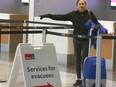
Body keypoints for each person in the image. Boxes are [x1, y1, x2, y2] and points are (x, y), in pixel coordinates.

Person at [40, 0, 99, 86]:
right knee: (77, 59)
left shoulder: (90, 14)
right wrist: (47, 15)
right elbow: (60, 17)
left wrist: (95, 28)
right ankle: (78, 79)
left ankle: (84, 79)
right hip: (76, 39)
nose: (81, 5)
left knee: (84, 60)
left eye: (83, 4)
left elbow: (97, 24)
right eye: (80, 4)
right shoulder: (73, 14)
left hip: (87, 40)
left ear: (85, 5)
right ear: (77, 5)